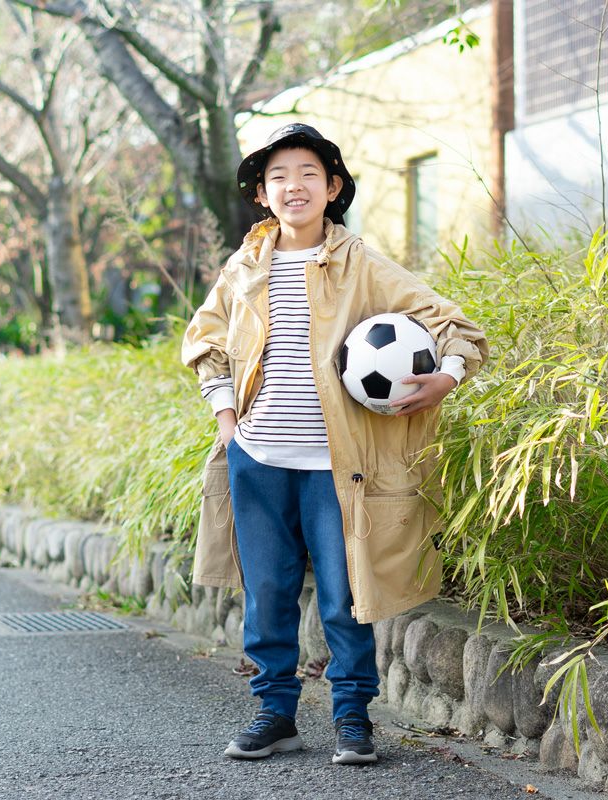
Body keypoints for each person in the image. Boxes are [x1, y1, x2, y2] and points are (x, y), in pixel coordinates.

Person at [181, 123, 488, 765]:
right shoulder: (243, 269)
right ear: (262, 194)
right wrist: (228, 423)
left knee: (346, 595)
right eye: (278, 177)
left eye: (308, 174)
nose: (293, 186)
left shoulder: (362, 265)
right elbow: (206, 343)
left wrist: (448, 375)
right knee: (267, 595)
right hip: (257, 459)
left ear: (333, 188)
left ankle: (352, 717)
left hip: (336, 466)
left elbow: (453, 323)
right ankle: (274, 714)